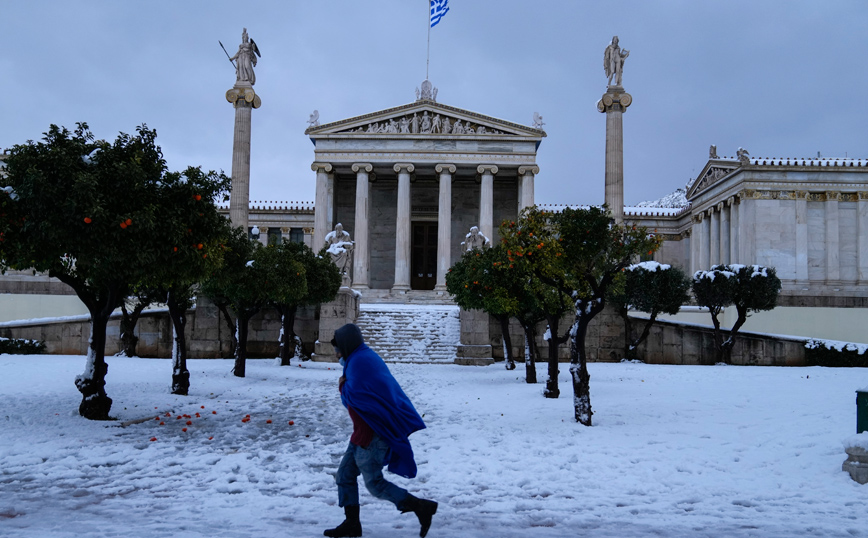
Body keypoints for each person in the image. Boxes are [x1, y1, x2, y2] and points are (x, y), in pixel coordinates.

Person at [324, 323, 438, 538]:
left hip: (373, 433)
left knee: (374, 484)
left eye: (338, 349)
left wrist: (341, 387)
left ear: (347, 345)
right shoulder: (359, 358)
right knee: (345, 475)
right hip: (362, 432)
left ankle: (419, 506)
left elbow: (356, 398)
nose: (336, 353)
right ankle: (352, 524)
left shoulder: (360, 362)